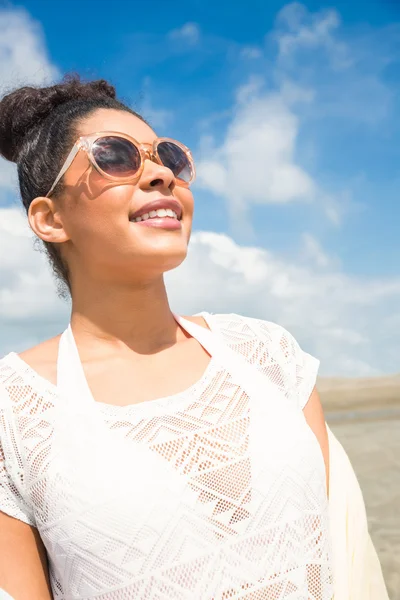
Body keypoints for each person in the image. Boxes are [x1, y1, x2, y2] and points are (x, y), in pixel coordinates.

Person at [0, 76, 378, 600]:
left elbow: (345, 561)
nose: (159, 174)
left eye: (169, 157)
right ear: (50, 218)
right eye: (115, 156)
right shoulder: (13, 412)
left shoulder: (265, 354)